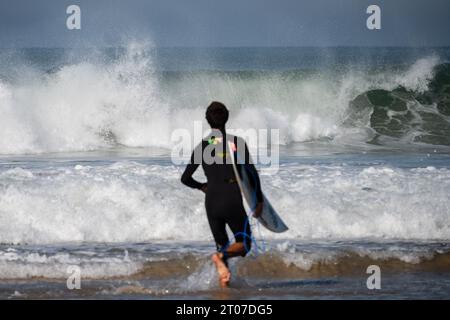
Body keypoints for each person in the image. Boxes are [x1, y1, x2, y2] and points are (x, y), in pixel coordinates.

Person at [181, 101, 263, 288]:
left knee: (221, 244)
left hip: (212, 201)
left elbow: (185, 178)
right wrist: (258, 200)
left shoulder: (203, 146)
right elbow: (251, 174)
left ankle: (224, 288)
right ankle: (221, 257)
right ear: (227, 117)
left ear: (207, 120)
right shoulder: (236, 143)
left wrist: (202, 186)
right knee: (245, 244)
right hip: (231, 199)